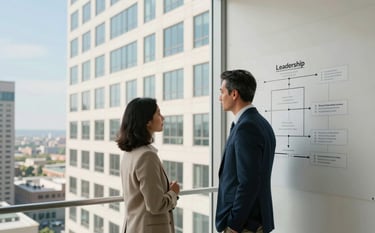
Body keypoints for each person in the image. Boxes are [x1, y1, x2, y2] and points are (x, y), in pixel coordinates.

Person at [215, 69, 276, 233]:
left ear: (234, 94)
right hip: (251, 222)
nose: (219, 97)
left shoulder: (246, 127)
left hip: (245, 225)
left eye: (222, 92)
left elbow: (248, 182)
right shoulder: (259, 122)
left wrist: (233, 226)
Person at [116, 97, 180, 233]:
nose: (163, 117)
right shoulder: (147, 156)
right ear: (147, 122)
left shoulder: (129, 154)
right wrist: (173, 193)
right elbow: (156, 205)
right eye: (158, 113)